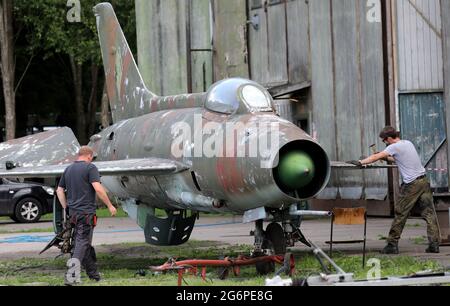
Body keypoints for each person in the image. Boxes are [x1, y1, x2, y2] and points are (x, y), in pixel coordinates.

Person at [348, 126, 441, 254]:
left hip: (412, 184)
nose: (384, 143)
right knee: (429, 214)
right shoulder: (407, 143)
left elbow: (376, 157)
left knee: (400, 213)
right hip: (423, 181)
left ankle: (392, 244)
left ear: (390, 138)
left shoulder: (393, 147)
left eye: (384, 141)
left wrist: (360, 162)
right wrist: (385, 157)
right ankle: (434, 244)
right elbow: (397, 158)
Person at [56, 146, 117, 285]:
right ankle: (71, 276)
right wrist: (110, 205)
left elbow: (59, 190)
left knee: (84, 244)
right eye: (92, 157)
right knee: (82, 243)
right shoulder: (90, 168)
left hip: (73, 214)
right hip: (85, 214)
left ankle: (94, 275)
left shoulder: (68, 169)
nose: (92, 159)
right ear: (89, 155)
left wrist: (66, 207)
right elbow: (98, 189)